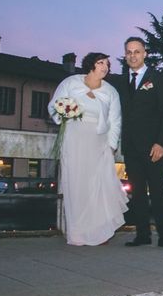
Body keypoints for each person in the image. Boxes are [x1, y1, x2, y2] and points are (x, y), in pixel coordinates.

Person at [48, 52, 127, 246]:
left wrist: (111, 145)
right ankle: (77, 233)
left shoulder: (111, 92)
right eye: (101, 63)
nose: (105, 67)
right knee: (75, 185)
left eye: (108, 64)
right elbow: (54, 106)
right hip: (74, 139)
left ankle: (100, 231)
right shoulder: (71, 82)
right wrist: (64, 113)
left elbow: (115, 121)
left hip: (98, 141)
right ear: (91, 64)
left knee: (99, 186)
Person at [119, 36, 163, 250]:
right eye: (129, 52)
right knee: (138, 194)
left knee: (158, 193)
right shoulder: (122, 80)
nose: (133, 55)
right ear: (125, 56)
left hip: (153, 147)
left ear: (145, 54)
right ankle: (142, 234)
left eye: (137, 51)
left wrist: (161, 143)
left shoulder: (157, 78)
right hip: (131, 147)